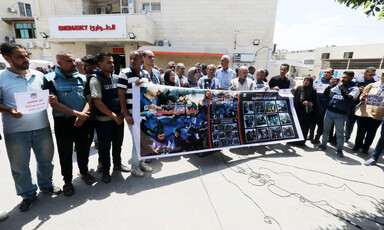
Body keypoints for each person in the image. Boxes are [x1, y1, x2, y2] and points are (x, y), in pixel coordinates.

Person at [0, 42, 61, 212]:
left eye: (26, 55)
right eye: (20, 57)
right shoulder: (1, 78)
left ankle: (46, 185)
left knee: (46, 160)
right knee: (19, 166)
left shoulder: (38, 75)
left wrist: (52, 98)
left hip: (42, 127)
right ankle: (27, 194)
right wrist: (10, 109)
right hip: (15, 131)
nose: (26, 59)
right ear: (7, 58)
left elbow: (49, 94)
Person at [44, 51, 95, 196]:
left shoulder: (81, 78)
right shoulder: (50, 79)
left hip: (83, 120)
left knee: (84, 149)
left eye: (74, 61)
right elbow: (54, 104)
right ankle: (67, 181)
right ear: (59, 63)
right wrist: (77, 114)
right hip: (63, 122)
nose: (73, 64)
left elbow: (89, 99)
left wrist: (83, 115)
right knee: (65, 152)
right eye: (69, 61)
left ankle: (84, 172)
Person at [90, 52, 130, 183]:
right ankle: (106, 170)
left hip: (118, 119)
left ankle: (117, 164)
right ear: (100, 64)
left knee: (118, 144)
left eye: (113, 62)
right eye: (109, 62)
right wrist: (114, 116)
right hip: (104, 121)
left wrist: (122, 114)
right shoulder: (95, 79)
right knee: (105, 147)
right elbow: (98, 102)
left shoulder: (117, 78)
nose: (112, 64)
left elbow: (122, 97)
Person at [117, 51, 153, 177]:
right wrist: (126, 114)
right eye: (131, 59)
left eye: (135, 59)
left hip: (144, 113)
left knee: (143, 139)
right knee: (136, 140)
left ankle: (141, 161)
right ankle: (135, 166)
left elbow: (149, 91)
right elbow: (121, 95)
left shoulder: (145, 74)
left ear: (142, 61)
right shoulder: (125, 73)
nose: (132, 61)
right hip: (132, 114)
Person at [317, 71, 359, 157]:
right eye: (342, 77)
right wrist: (330, 85)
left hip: (340, 114)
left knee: (340, 133)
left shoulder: (354, 88)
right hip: (329, 111)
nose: (342, 79)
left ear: (351, 78)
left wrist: (342, 89)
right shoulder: (338, 85)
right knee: (326, 129)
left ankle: (339, 149)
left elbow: (348, 98)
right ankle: (323, 144)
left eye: (345, 77)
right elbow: (326, 94)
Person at [353, 70, 384, 155]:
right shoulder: (372, 85)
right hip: (365, 112)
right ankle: (357, 146)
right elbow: (362, 96)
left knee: (371, 133)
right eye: (383, 75)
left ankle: (365, 148)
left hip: (378, 114)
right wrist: (363, 98)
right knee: (360, 131)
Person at [346, 67, 377, 142]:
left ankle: (359, 142)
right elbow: (349, 89)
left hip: (365, 107)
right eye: (370, 74)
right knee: (349, 122)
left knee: (361, 126)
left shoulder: (374, 83)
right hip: (354, 105)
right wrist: (357, 90)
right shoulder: (357, 80)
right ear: (365, 73)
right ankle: (346, 136)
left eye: (374, 75)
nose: (372, 76)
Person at [81, 55, 100, 166]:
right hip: (87, 117)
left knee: (102, 143)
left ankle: (101, 163)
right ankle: (84, 168)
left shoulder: (97, 78)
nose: (84, 67)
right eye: (83, 65)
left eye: (86, 65)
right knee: (85, 144)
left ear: (94, 66)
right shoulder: (83, 78)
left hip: (98, 115)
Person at [311, 68, 335, 144]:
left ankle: (317, 137)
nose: (326, 73)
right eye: (325, 72)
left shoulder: (334, 84)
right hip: (315, 105)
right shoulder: (317, 82)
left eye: (328, 72)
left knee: (321, 123)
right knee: (312, 122)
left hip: (325, 106)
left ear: (332, 74)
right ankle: (310, 135)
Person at [293, 76, 319, 146]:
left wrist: (308, 102)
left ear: (310, 82)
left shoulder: (313, 90)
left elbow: (315, 102)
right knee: (296, 125)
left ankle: (301, 142)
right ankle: (293, 141)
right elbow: (295, 98)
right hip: (298, 110)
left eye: (307, 81)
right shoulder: (299, 88)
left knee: (304, 127)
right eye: (304, 80)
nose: (305, 82)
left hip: (306, 112)